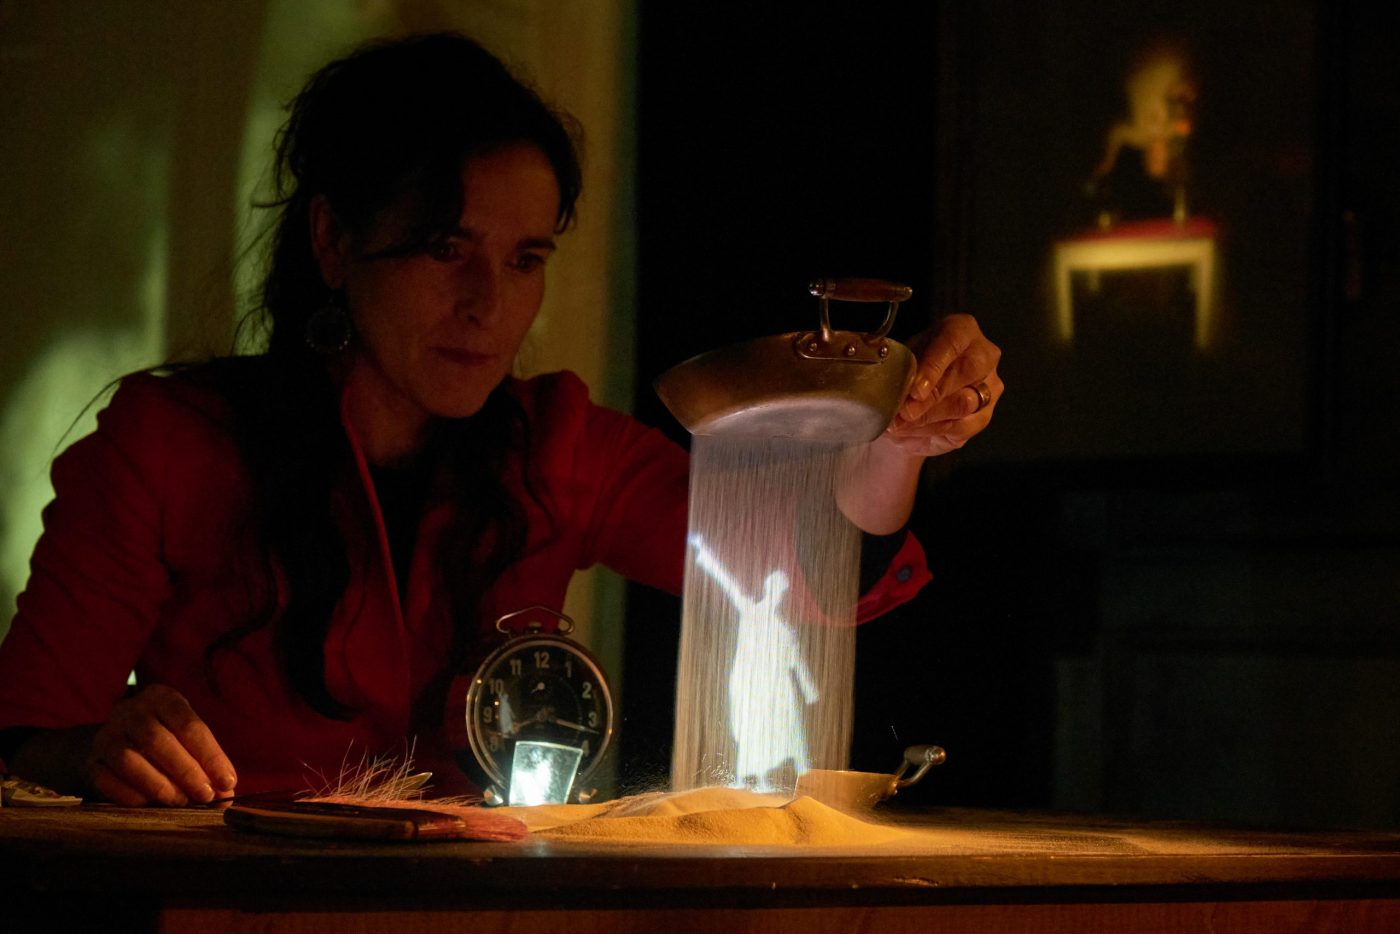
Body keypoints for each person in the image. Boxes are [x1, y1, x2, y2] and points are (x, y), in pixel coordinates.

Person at [0, 32, 1003, 806]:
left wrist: (898, 440)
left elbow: (804, 572)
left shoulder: (553, 444)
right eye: (447, 249)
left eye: (525, 261)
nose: (488, 305)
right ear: (333, 240)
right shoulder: (171, 443)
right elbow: (24, 735)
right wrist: (96, 751)